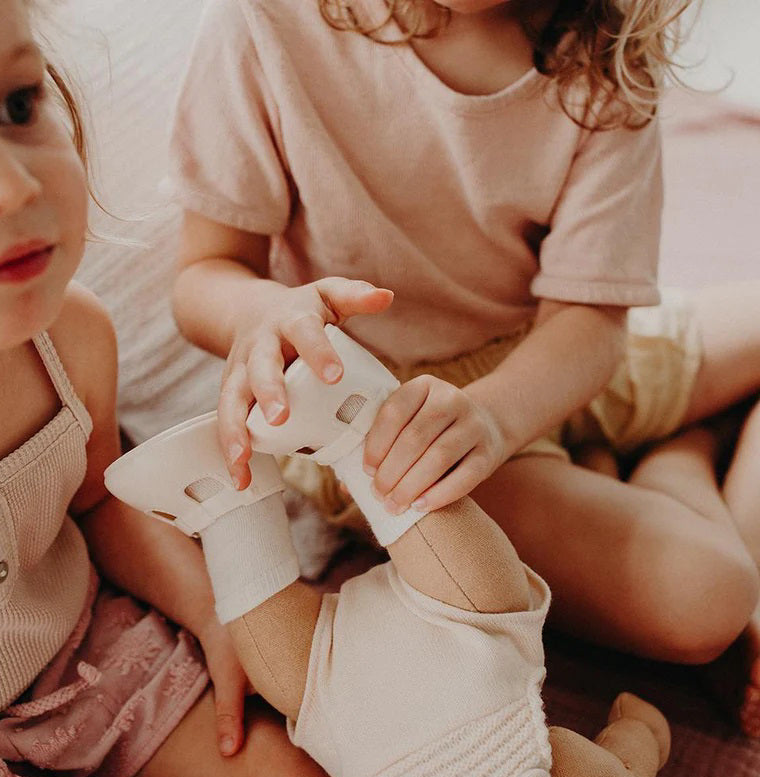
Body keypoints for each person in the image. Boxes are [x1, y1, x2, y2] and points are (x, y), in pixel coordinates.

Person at [169, 0, 760, 737]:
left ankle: (660, 451)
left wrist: (498, 413)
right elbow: (204, 274)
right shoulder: (265, 24)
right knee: (709, 597)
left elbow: (591, 321)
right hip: (390, 422)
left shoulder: (607, 47)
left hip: (552, 361)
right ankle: (682, 453)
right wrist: (260, 312)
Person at [0, 1, 337, 777]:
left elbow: (97, 498)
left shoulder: (69, 337)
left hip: (84, 661)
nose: (6, 185)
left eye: (17, 106)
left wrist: (216, 610)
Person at [104, 324, 672, 777]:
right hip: (466, 641)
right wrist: (640, 733)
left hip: (347, 711)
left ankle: (224, 501)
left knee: (285, 672)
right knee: (462, 576)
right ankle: (358, 426)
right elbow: (620, 776)